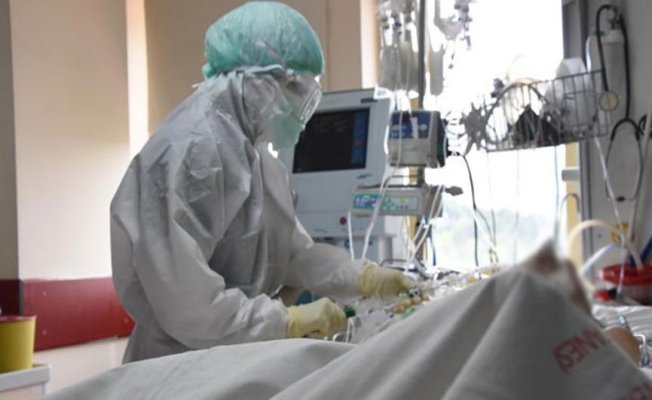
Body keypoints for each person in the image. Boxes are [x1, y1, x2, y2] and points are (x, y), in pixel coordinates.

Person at [110, 1, 412, 363]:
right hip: (178, 368)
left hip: (231, 360)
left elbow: (293, 254)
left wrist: (363, 278)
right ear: (255, 79)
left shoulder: (255, 157)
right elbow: (188, 307)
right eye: (295, 89)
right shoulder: (192, 150)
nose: (303, 110)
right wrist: (287, 320)